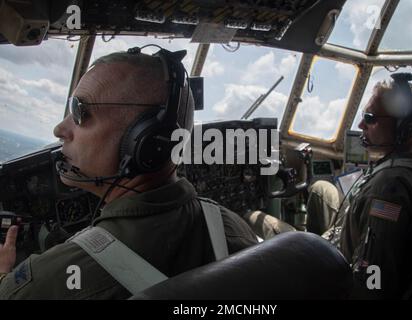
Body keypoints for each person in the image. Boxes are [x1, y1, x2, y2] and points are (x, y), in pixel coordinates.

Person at [0, 46, 257, 299]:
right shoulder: (230, 227)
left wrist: (4, 276)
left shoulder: (51, 279)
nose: (59, 129)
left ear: (145, 141)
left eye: (80, 112)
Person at [307, 73, 412, 299]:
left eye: (370, 118)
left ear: (407, 128)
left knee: (237, 221)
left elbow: (373, 279)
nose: (361, 124)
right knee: (321, 189)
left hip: (337, 267)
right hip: (350, 235)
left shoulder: (389, 189)